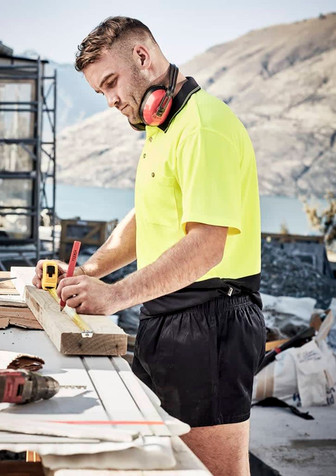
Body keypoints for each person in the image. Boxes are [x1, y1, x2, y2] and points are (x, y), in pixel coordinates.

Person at [33, 16, 266, 476]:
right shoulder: (163, 128)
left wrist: (117, 295)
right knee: (162, 465)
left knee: (214, 471)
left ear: (142, 56)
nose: (111, 101)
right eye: (101, 92)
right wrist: (91, 271)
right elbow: (147, 217)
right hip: (166, 317)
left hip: (212, 322)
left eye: (111, 83)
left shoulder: (203, 126)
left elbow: (206, 247)